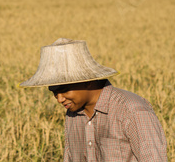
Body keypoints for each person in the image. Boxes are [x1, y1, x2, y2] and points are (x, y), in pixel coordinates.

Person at [20, 38, 167, 161]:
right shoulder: (73, 114)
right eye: (53, 92)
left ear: (88, 80)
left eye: (63, 90)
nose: (59, 99)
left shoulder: (132, 111)